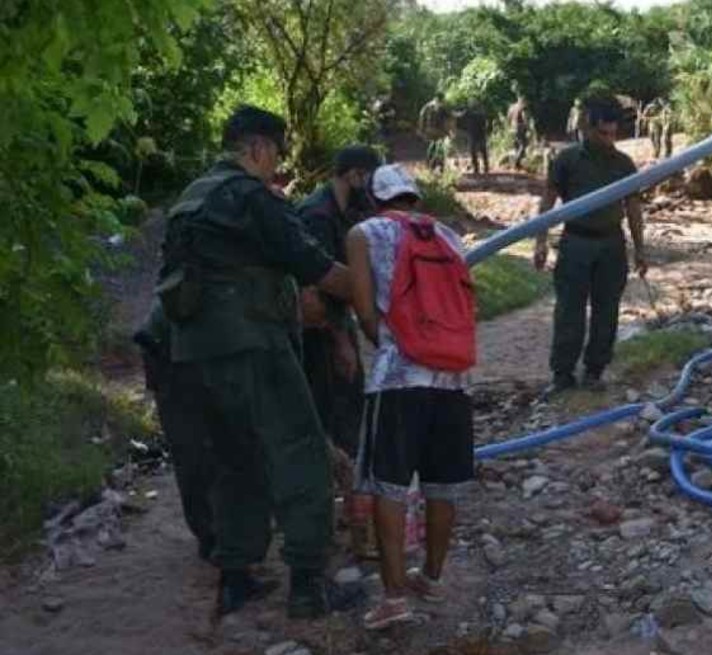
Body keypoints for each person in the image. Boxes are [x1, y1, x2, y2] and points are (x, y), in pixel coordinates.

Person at [156, 104, 358, 618]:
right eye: (275, 155)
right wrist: (377, 286)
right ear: (257, 147)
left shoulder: (190, 198)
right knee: (299, 451)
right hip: (251, 344)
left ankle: (235, 578)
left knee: (234, 459)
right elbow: (316, 267)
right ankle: (308, 585)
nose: (276, 167)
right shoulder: (249, 197)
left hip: (193, 355)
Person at [345, 164, 477, 629]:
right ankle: (433, 578)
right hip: (454, 379)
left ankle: (394, 597)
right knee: (443, 485)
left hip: (398, 379)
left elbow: (365, 310)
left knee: (389, 486)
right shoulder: (448, 236)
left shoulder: (364, 234)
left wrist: (385, 343)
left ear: (374, 199)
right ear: (413, 198)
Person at [296, 145, 382, 559]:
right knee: (336, 413)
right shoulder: (317, 216)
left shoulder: (343, 210)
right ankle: (338, 514)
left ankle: (343, 507)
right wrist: (341, 341)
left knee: (346, 412)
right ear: (355, 175)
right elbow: (314, 294)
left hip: (335, 321)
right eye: (370, 179)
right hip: (318, 329)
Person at [533, 100, 649, 394]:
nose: (608, 140)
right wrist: (540, 240)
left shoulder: (623, 164)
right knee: (569, 310)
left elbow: (633, 209)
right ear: (587, 129)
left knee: (606, 310)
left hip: (611, 244)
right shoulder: (567, 160)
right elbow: (548, 200)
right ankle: (562, 374)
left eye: (612, 134)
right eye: (602, 134)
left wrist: (640, 249)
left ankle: (595, 371)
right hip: (576, 242)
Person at [133, 302, 216, 563]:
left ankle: (212, 534)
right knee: (194, 453)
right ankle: (211, 536)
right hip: (172, 360)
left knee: (194, 453)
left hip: (173, 357)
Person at [419, 98, 452, 174]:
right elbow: (447, 120)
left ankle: (429, 165)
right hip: (439, 131)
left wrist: (422, 130)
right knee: (441, 148)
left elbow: (421, 117)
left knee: (432, 146)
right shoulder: (442, 107)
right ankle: (440, 166)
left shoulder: (426, 106)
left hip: (429, 130)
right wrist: (448, 132)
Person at [458, 105, 490, 175]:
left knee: (473, 152)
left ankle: (476, 168)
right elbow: (486, 124)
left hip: (473, 135)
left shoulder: (468, 113)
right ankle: (486, 167)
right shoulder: (481, 114)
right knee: (483, 151)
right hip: (481, 134)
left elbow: (459, 116)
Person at [506, 95, 532, 170]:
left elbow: (508, 117)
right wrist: (528, 128)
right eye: (525, 102)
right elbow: (525, 118)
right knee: (523, 145)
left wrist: (509, 127)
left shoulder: (511, 107)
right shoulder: (522, 108)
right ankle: (516, 162)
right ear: (523, 101)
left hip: (512, 127)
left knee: (516, 146)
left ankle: (518, 165)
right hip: (520, 128)